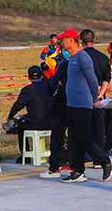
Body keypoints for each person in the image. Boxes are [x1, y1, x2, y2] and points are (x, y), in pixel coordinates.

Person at [59, 28, 112, 183]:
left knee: (84, 138)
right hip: (72, 104)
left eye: (63, 39)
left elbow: (92, 79)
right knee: (74, 139)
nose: (61, 42)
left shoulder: (83, 57)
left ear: (71, 40)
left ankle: (105, 161)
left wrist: (95, 98)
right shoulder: (72, 58)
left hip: (83, 104)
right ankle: (78, 171)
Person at [79, 29, 112, 158]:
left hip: (83, 95)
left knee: (84, 126)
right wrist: (101, 94)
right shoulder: (103, 57)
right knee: (99, 126)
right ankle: (99, 158)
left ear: (81, 42)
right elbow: (107, 78)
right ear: (94, 40)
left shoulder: (78, 57)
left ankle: (84, 155)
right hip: (100, 95)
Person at [6, 66, 52, 159]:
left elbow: (18, 105)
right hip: (51, 122)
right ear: (41, 76)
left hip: (35, 123)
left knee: (21, 127)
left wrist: (10, 116)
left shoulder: (27, 90)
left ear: (29, 77)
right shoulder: (49, 88)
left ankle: (25, 154)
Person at [39, 46, 71, 178]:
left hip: (63, 103)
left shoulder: (64, 66)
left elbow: (51, 85)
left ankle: (54, 167)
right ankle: (75, 164)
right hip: (78, 103)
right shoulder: (82, 62)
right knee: (78, 135)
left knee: (57, 135)